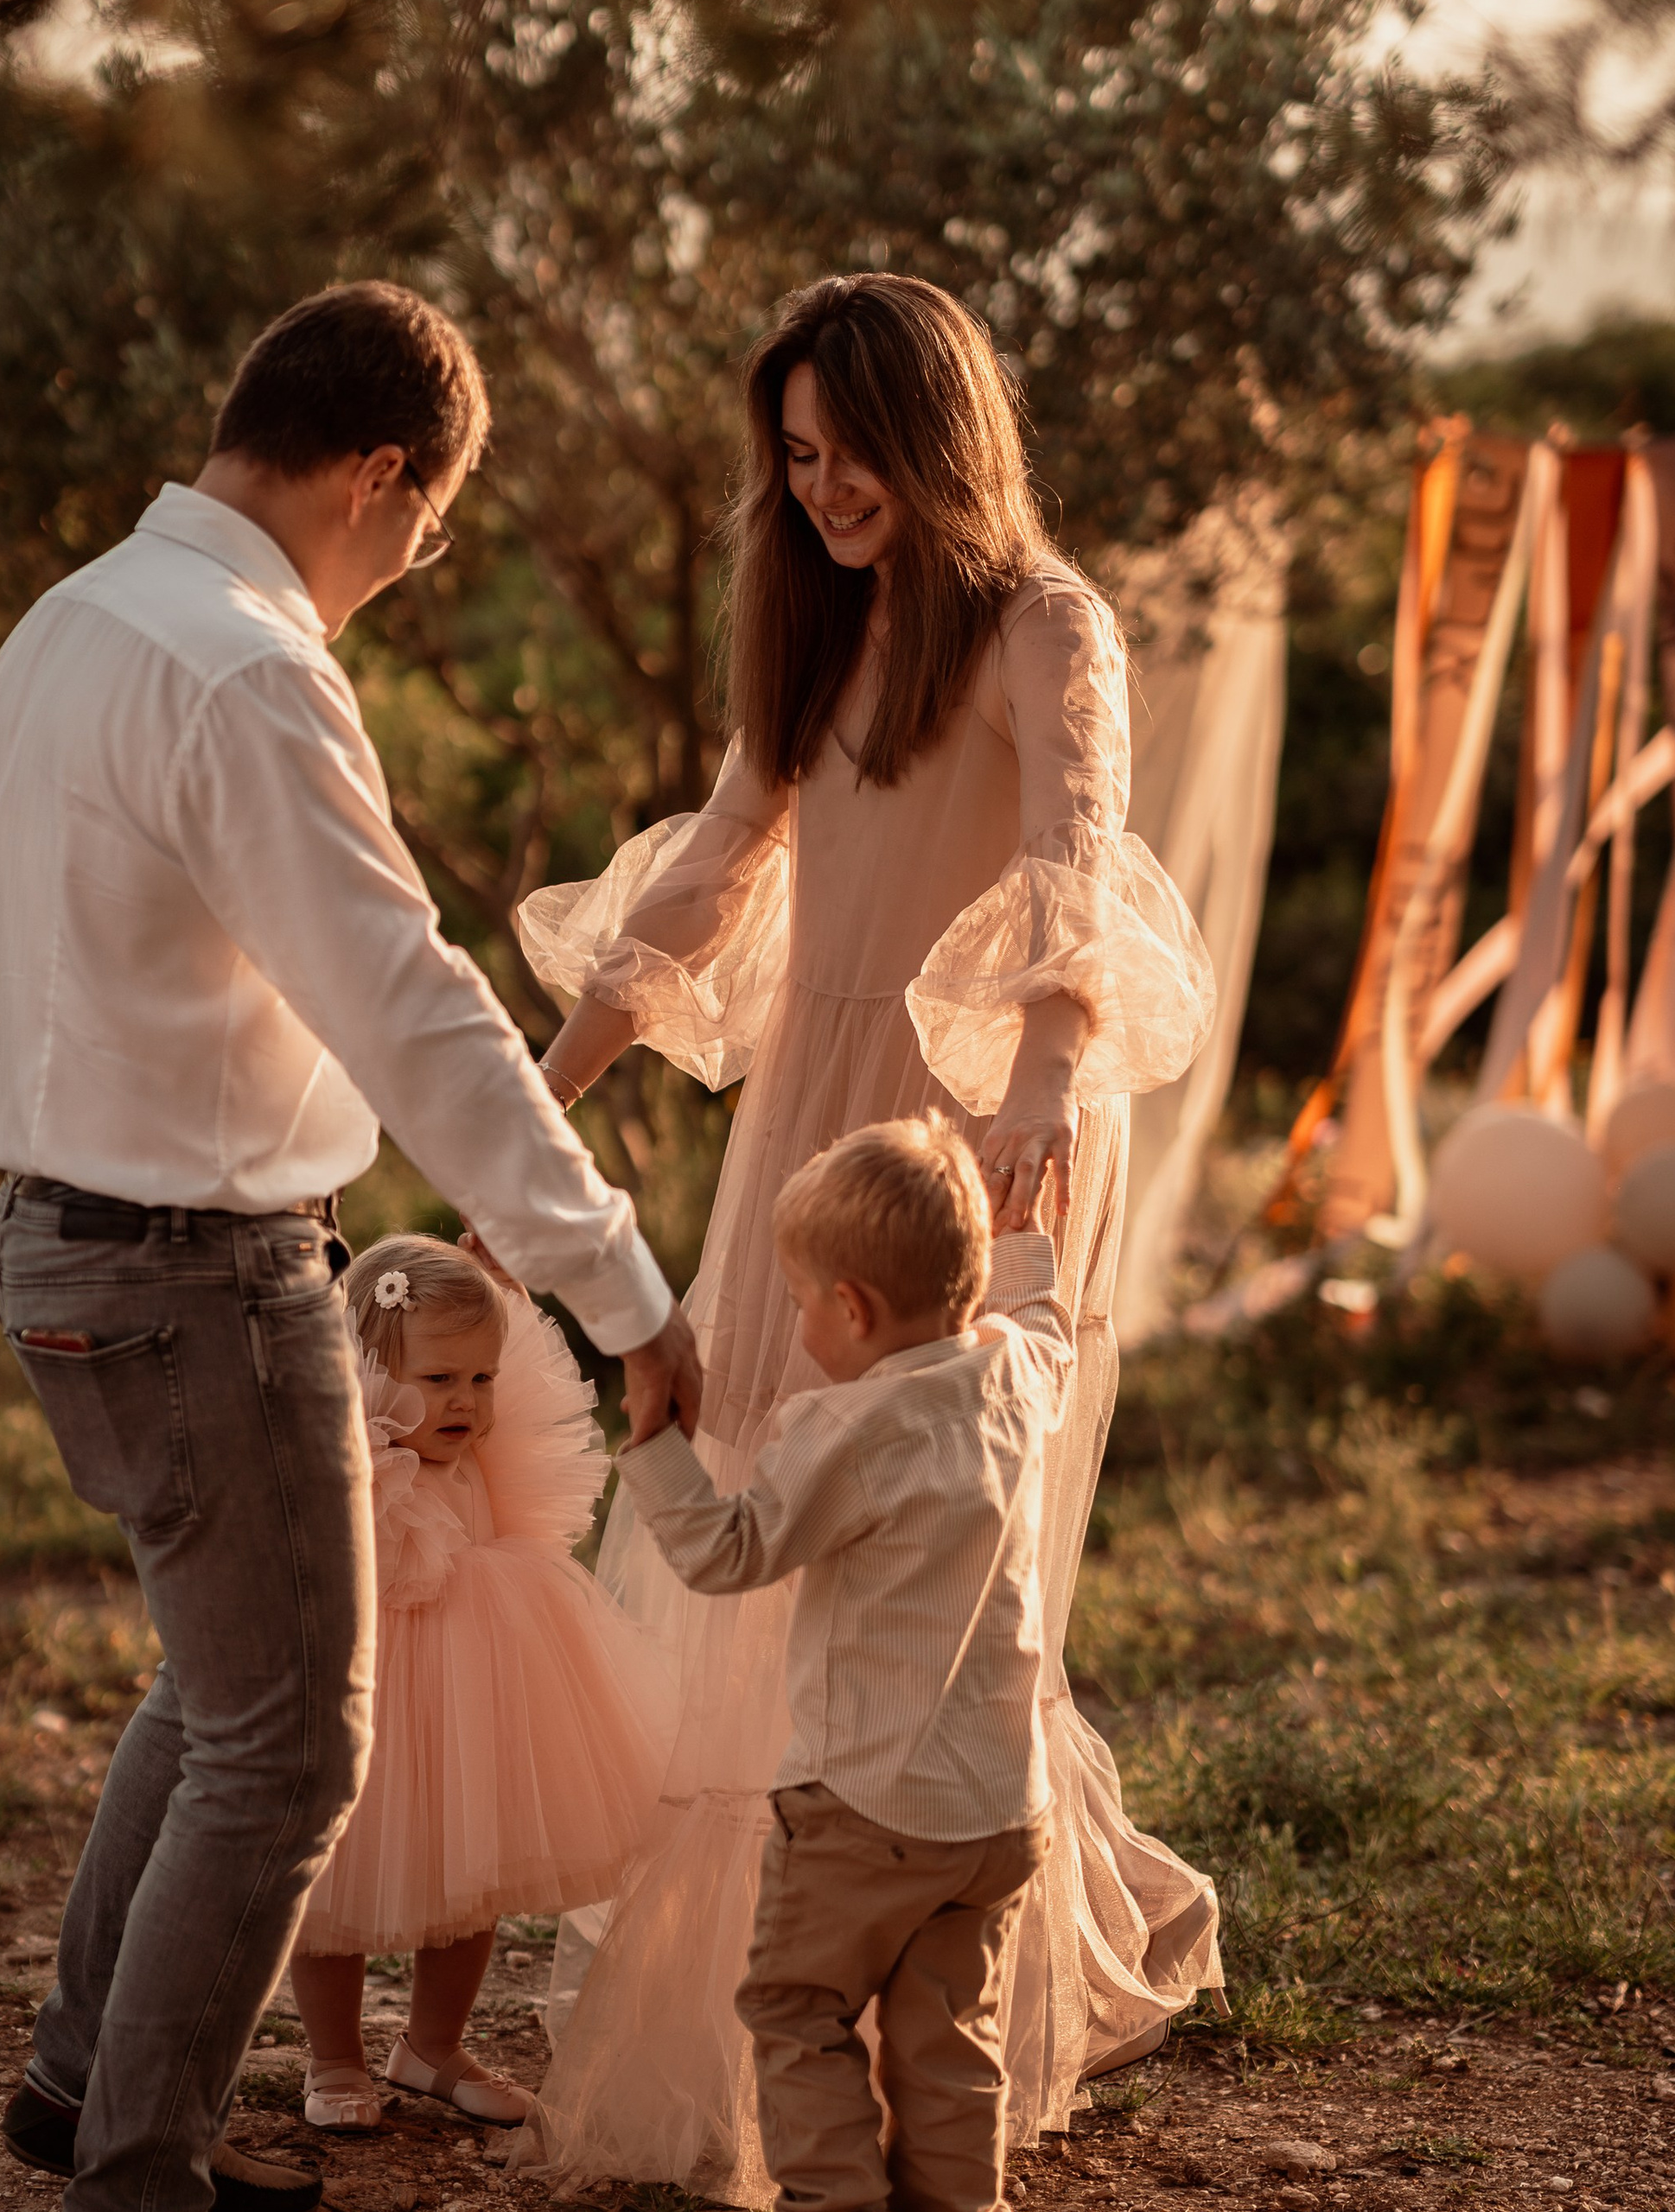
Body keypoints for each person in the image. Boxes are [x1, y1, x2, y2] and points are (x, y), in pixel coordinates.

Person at [0, 281, 700, 2212]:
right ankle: (140, 2170)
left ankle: (71, 2083)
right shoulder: (244, 664)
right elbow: (415, 1007)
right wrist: (616, 1285)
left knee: (213, 1692)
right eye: (430, 527)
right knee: (290, 1755)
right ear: (381, 473)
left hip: (56, 1248)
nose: (412, 566)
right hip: (199, 1273)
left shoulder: (63, 628)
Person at [516, 272, 1221, 2202]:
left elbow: (1075, 854)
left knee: (935, 1549)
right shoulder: (820, 636)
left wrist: (1039, 1082)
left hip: (966, 1141)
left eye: (848, 452)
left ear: (935, 435)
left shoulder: (1039, 622)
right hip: (798, 1154)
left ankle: (921, 1974)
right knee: (752, 1500)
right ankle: (751, 1991)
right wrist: (532, 1095)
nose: (818, 491)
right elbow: (705, 868)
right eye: (796, 457)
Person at [615, 1116, 1071, 2212]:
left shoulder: (847, 1427)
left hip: (865, 1808)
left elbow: (731, 1553)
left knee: (796, 2008)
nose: (800, 1318)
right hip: (1000, 1810)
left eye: (803, 1298)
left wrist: (651, 1441)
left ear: (854, 1309)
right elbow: (1044, 1318)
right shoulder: (1014, 1373)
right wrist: (1019, 1244)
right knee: (948, 2040)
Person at [289, 1233, 672, 2131]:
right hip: (367, 1696)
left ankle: (432, 2044)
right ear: (372, 1373)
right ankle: (333, 2054)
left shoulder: (488, 1460)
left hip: (479, 1689)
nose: (464, 1400)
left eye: (481, 1378)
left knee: (477, 1863)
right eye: (437, 1380)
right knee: (335, 1878)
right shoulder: (348, 1462)